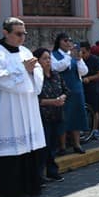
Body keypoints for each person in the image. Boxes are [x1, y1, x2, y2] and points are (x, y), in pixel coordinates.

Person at [0, 17, 46, 197]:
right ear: (6, 33)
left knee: (30, 149)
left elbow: (38, 74)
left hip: (27, 109)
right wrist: (23, 70)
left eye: (24, 33)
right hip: (6, 109)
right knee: (12, 151)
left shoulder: (25, 51)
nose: (22, 37)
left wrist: (33, 70)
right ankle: (13, 191)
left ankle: (32, 186)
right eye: (18, 34)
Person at [33, 48, 67, 184]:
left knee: (53, 145)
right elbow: (34, 99)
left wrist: (62, 97)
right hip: (42, 116)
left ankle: (52, 172)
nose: (48, 61)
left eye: (49, 58)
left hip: (57, 115)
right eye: (44, 58)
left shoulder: (56, 75)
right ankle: (39, 175)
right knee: (43, 147)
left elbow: (66, 90)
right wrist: (52, 102)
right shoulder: (35, 78)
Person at [51, 33, 88, 155]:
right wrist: (69, 57)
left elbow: (84, 72)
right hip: (62, 90)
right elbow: (57, 67)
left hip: (76, 89)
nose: (68, 43)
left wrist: (79, 60)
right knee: (63, 117)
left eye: (70, 40)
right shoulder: (54, 55)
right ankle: (62, 146)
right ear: (59, 42)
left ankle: (76, 144)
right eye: (65, 40)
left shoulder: (73, 55)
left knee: (76, 117)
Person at [80, 42, 99, 138]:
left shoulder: (95, 60)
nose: (82, 54)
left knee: (94, 110)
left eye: (84, 52)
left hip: (92, 88)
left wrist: (89, 79)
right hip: (81, 88)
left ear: (89, 51)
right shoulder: (78, 60)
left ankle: (94, 129)